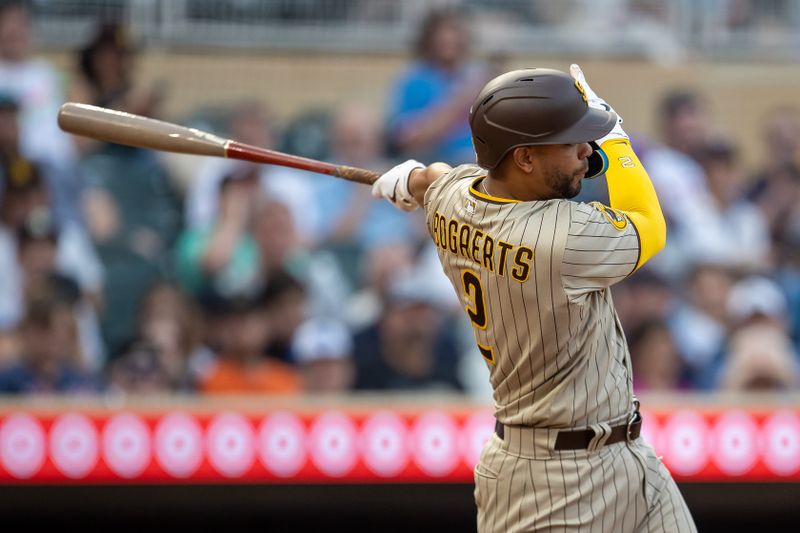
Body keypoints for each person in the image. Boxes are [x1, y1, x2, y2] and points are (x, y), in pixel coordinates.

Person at [372, 65, 695, 531]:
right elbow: (649, 224)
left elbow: (442, 179)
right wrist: (618, 139)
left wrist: (416, 180)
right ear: (523, 158)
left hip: (630, 458)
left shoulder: (450, 199)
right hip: (548, 482)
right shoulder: (560, 238)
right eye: (572, 142)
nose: (588, 150)